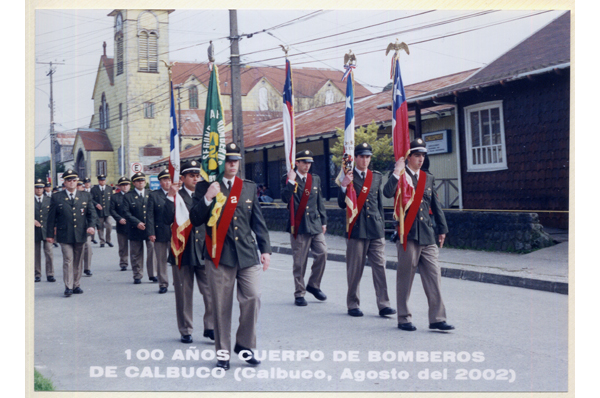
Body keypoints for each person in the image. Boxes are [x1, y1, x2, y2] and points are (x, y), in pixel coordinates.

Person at [190, 142, 271, 370]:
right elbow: (196, 219)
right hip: (219, 254)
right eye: (228, 160)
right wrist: (208, 197)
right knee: (221, 306)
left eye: (236, 160)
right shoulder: (206, 186)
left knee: (253, 297)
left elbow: (258, 221)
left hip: (246, 253)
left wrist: (265, 249)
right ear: (221, 163)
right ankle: (223, 353)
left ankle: (244, 346)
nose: (233, 164)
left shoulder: (248, 187)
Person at [383, 138, 454, 332]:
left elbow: (435, 205)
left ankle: (437, 318)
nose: (421, 159)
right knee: (405, 279)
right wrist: (396, 173)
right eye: (416, 155)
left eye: (423, 155)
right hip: (409, 234)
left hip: (427, 235)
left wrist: (442, 229)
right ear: (409, 157)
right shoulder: (400, 175)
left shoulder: (427, 177)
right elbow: (387, 193)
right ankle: (403, 318)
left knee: (434, 276)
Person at [339, 142, 396, 318]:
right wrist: (343, 185)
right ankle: (353, 304)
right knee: (355, 270)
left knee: (380, 267)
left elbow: (378, 202)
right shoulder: (347, 176)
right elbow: (342, 204)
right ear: (355, 158)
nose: (365, 160)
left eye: (368, 157)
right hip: (357, 229)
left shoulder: (376, 176)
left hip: (375, 229)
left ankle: (384, 304)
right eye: (362, 156)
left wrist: (382, 224)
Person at [163, 160, 215, 343]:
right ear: (182, 178)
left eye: (197, 175)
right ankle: (186, 329)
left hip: (203, 249)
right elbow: (166, 218)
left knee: (210, 291)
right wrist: (170, 196)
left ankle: (210, 327)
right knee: (184, 292)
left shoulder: (205, 194)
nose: (195, 178)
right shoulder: (176, 195)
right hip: (183, 249)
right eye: (191, 175)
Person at [280, 149, 328, 306]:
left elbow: (319, 200)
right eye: (304, 162)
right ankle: (299, 293)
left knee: (322, 253)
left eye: (309, 163)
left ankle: (313, 285)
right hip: (299, 224)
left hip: (315, 223)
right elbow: (285, 198)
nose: (307, 165)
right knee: (300, 261)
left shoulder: (315, 179)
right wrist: (291, 182)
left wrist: (324, 220)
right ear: (297, 163)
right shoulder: (288, 178)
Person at [45, 170, 97, 297]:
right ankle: (68, 286)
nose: (72, 183)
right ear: (65, 182)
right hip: (64, 234)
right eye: (69, 180)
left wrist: (91, 226)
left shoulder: (85, 196)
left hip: (80, 234)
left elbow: (92, 214)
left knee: (78, 261)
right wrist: (50, 234)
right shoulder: (57, 197)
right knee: (68, 259)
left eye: (74, 180)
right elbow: (51, 217)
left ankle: (76, 285)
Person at [122, 172, 157, 284]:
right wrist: (137, 222)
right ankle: (137, 275)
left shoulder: (151, 194)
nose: (141, 182)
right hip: (134, 228)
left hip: (149, 228)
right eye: (138, 181)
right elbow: (126, 212)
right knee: (136, 253)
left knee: (152, 251)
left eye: (142, 180)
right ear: (134, 183)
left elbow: (154, 211)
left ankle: (153, 274)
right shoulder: (128, 196)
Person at [147, 169, 173, 294]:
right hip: (160, 231)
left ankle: (178, 282)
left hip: (175, 233)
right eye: (164, 180)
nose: (167, 182)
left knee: (176, 260)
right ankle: (163, 283)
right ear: (160, 182)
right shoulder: (154, 195)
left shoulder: (177, 194)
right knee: (161, 259)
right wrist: (151, 232)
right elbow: (150, 215)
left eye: (169, 180)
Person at [34, 178, 55, 282]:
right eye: (37, 188)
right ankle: (37, 274)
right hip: (34, 231)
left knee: (49, 252)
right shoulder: (28, 200)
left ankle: (50, 274)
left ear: (43, 189)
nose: (39, 190)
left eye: (41, 188)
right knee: (35, 253)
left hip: (47, 230)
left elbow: (53, 215)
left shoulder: (49, 199)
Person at [110, 177, 131, 271]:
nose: (125, 187)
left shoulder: (133, 195)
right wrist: (118, 219)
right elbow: (112, 210)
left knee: (135, 247)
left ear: (130, 185)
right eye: (123, 185)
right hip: (121, 224)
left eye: (126, 185)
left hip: (133, 225)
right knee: (123, 246)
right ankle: (123, 263)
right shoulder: (115, 197)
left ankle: (135, 262)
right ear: (119, 186)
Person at [91, 174, 113, 248]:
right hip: (98, 212)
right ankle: (102, 241)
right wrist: (96, 204)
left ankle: (108, 240)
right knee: (100, 227)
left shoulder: (109, 188)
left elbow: (112, 199)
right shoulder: (94, 189)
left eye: (103, 180)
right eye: (101, 180)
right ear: (98, 181)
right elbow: (91, 199)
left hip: (107, 211)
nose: (102, 181)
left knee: (109, 225)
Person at [78, 181, 94, 276]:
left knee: (88, 247)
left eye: (81, 186)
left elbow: (91, 212)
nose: (80, 188)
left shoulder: (86, 196)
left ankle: (87, 268)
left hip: (85, 227)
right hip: (74, 229)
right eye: (78, 186)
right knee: (78, 249)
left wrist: (92, 225)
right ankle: (77, 267)